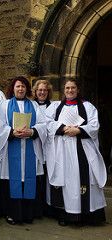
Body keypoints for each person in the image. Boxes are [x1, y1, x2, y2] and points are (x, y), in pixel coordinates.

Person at [45, 79, 107, 226]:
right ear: (63, 90)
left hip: (83, 151)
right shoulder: (55, 107)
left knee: (85, 180)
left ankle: (88, 215)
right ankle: (66, 215)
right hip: (63, 152)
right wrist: (64, 128)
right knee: (66, 182)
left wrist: (79, 130)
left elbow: (94, 125)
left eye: (73, 88)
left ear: (78, 90)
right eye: (67, 88)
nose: (70, 90)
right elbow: (47, 122)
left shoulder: (87, 106)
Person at [0, 76, 47, 225]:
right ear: (13, 88)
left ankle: (28, 214)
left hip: (30, 148)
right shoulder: (5, 105)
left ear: (27, 89)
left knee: (29, 180)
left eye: (23, 86)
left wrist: (32, 132)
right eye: (18, 86)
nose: (20, 89)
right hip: (12, 148)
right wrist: (11, 132)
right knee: (13, 181)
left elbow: (43, 124)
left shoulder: (34, 105)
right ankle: (13, 214)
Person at [32, 79, 53, 215]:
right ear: (35, 91)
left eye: (45, 90)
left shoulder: (54, 106)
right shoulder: (31, 105)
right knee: (37, 176)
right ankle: (37, 207)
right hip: (35, 144)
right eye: (39, 90)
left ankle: (48, 206)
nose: (42, 92)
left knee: (48, 175)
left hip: (50, 146)